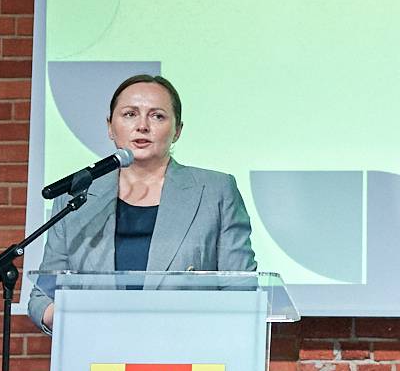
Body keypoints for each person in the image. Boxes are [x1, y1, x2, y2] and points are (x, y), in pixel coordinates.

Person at [26, 74, 256, 332]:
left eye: (157, 116)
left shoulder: (216, 191)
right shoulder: (76, 196)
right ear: (110, 127)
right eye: (130, 114)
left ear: (177, 130)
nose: (142, 126)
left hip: (187, 346)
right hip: (97, 346)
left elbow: (241, 290)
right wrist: (69, 316)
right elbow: (42, 296)